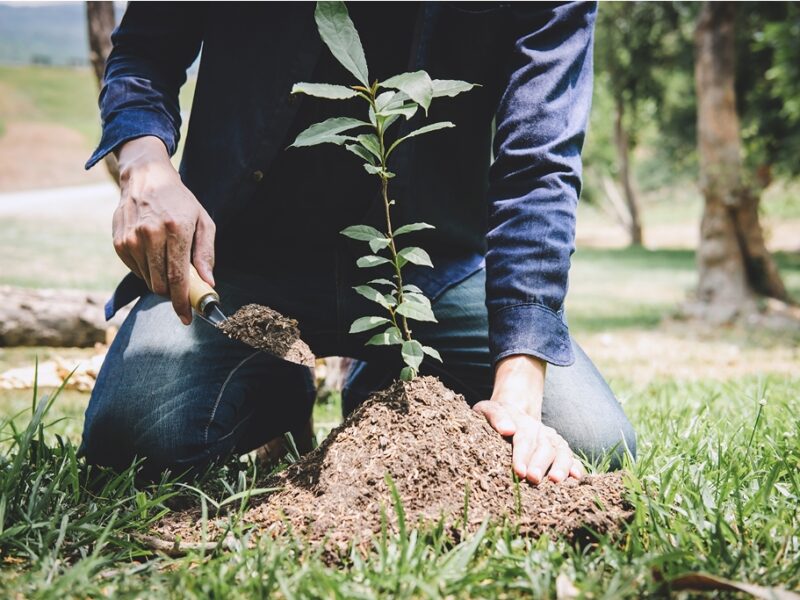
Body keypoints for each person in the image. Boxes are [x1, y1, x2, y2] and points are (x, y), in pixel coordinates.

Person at [80, 2, 636, 482]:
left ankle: (390, 381)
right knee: (129, 440)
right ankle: (277, 379)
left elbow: (539, 160)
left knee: (592, 444)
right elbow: (144, 52)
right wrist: (145, 166)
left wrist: (518, 394)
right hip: (238, 262)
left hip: (433, 269)